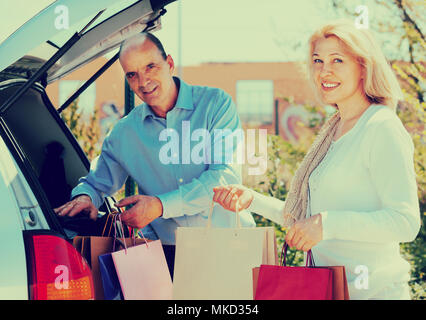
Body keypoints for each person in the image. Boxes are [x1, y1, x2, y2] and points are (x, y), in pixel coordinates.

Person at [212, 20, 420, 300]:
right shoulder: (333, 130)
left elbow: (405, 222)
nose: (325, 71)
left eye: (338, 60)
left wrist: (326, 224)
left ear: (363, 67)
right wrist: (252, 200)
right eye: (318, 60)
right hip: (331, 291)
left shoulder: (381, 127)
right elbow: (306, 218)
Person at [54, 32, 255, 262]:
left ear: (169, 64)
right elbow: (95, 183)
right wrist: (85, 197)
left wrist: (161, 206)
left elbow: (224, 177)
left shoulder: (215, 104)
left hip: (230, 247)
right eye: (132, 74)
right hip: (166, 258)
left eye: (151, 67)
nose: (143, 82)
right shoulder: (125, 133)